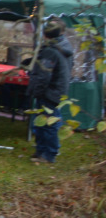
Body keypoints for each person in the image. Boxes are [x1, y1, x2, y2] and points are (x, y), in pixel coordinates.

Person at [26, 19, 74, 164]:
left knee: (48, 124)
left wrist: (35, 91)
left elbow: (44, 75)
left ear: (45, 34)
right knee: (42, 122)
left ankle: (49, 155)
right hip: (58, 90)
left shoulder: (50, 50)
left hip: (50, 91)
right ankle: (41, 151)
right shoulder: (64, 45)